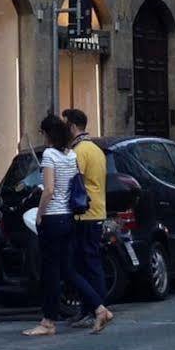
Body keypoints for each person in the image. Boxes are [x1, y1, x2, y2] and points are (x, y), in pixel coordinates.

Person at [23, 113, 111, 338]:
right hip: (69, 217)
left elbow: (49, 190)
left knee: (51, 272)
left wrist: (40, 214)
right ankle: (99, 308)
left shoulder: (50, 155)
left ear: (47, 133)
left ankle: (48, 321)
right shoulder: (71, 155)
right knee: (67, 269)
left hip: (52, 217)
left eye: (42, 133)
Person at [63, 107, 114, 333]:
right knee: (90, 263)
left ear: (73, 127)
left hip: (84, 214)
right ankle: (91, 308)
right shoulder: (95, 149)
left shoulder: (80, 151)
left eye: (66, 125)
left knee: (84, 264)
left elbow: (75, 181)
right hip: (97, 212)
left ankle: (95, 308)